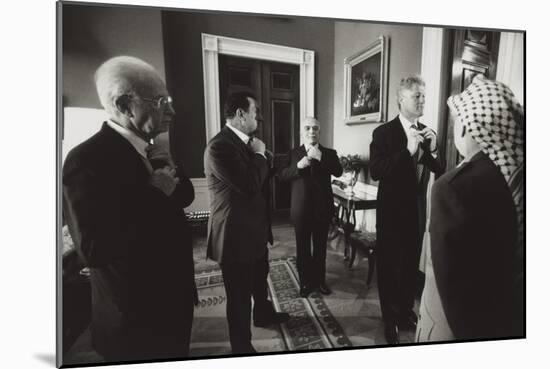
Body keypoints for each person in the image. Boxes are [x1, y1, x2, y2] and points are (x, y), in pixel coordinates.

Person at [63, 56, 197, 362]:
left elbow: (186, 196)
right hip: (136, 319)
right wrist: (153, 193)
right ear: (125, 105)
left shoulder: (153, 148)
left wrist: (170, 174)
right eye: (161, 101)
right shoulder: (85, 161)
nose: (172, 111)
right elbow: (94, 249)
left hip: (175, 300)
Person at [416, 75, 524, 342]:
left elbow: (452, 290)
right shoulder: (515, 178)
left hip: (451, 328)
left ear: (466, 127)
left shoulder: (451, 188)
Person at [203, 91, 290, 354]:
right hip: (234, 235)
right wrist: (261, 156)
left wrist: (271, 158)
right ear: (240, 115)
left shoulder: (247, 144)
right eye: (255, 112)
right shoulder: (219, 147)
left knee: (259, 280)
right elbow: (250, 184)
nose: (259, 118)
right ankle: (241, 347)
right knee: (239, 297)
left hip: (254, 230)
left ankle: (262, 314)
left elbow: (263, 173)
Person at [369, 75, 444, 344]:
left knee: (410, 267)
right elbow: (376, 171)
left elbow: (439, 169)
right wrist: (407, 151)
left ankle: (404, 312)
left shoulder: (427, 131)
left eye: (424, 95)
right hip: (390, 215)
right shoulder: (383, 133)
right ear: (402, 99)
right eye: (417, 96)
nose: (423, 100)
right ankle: (389, 319)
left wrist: (433, 149)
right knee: (389, 268)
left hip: (416, 213)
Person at [279, 117, 343, 297]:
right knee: (303, 248)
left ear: (319, 132)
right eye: (307, 128)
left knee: (321, 248)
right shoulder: (293, 154)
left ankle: (320, 281)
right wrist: (298, 167)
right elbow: (282, 176)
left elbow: (338, 171)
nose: (311, 131)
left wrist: (321, 157)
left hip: (323, 209)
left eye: (315, 128)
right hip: (301, 209)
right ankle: (305, 282)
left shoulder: (329, 153)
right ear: (301, 132)